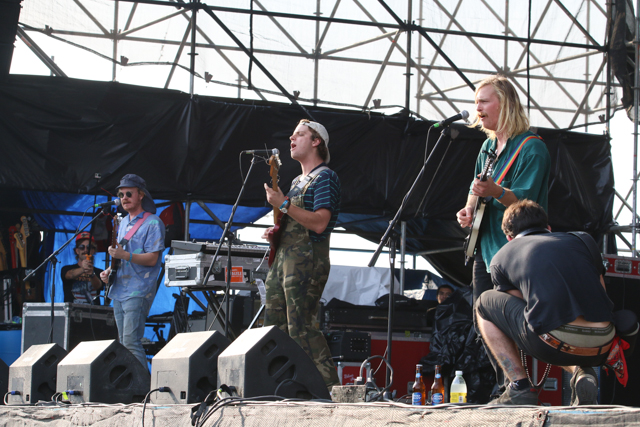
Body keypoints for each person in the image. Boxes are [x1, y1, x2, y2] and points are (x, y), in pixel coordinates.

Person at [476, 199, 615, 405]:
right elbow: (601, 292)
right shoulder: (584, 240)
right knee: (557, 324)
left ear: (509, 238)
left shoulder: (501, 257)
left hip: (552, 344)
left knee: (483, 303)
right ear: (548, 228)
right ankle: (581, 372)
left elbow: (523, 314)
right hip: (603, 344)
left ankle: (519, 387)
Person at [456, 75, 551, 306]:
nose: (477, 108)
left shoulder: (532, 148)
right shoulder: (488, 146)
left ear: (505, 104)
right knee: (481, 317)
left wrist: (495, 191)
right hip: (485, 249)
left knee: (510, 316)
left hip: (516, 251)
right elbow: (476, 186)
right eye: (476, 102)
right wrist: (469, 209)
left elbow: (525, 204)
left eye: (484, 101)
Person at [262, 119, 341, 390]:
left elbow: (319, 223)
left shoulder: (325, 177)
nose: (291, 139)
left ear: (316, 141)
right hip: (284, 262)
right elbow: (295, 219)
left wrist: (283, 203)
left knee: (302, 327)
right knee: (274, 329)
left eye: (300, 135)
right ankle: (281, 389)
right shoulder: (297, 181)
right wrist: (276, 232)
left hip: (307, 261)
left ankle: (331, 393)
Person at [100, 174, 165, 369]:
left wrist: (124, 255)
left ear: (141, 195)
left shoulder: (153, 222)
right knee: (123, 343)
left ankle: (143, 384)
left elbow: (153, 258)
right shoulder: (122, 223)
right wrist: (109, 270)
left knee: (131, 342)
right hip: (119, 288)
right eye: (121, 194)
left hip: (139, 289)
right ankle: (133, 384)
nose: (124, 198)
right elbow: (123, 256)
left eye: (129, 193)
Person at [61, 232, 105, 304]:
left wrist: (92, 274)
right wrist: (83, 269)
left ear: (93, 251)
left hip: (93, 310)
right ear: (77, 251)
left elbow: (98, 286)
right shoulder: (66, 269)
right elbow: (69, 275)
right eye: (82, 247)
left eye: (89, 247)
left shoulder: (99, 272)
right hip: (73, 309)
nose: (85, 250)